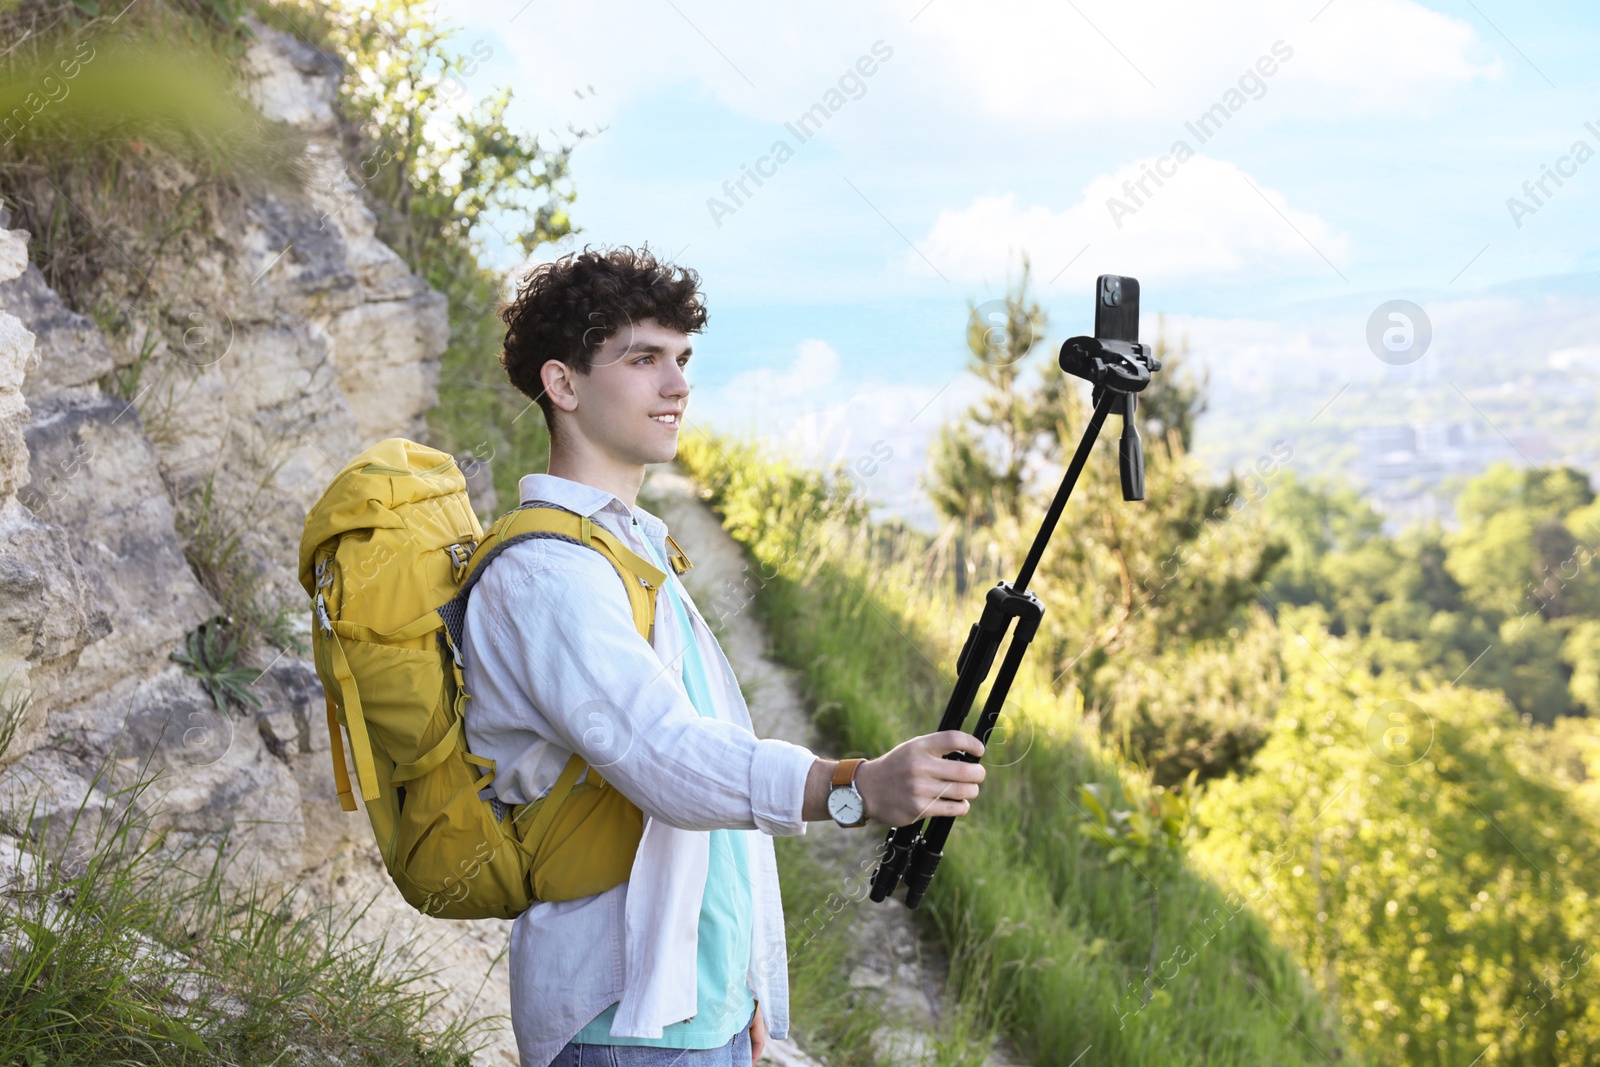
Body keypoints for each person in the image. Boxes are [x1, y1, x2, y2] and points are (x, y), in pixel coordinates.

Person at [462, 245, 986, 1067]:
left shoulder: (627, 546)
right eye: (643, 359)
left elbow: (704, 801)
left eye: (682, 359)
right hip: (626, 1032)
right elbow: (671, 763)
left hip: (691, 1016)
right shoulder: (547, 576)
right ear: (563, 385)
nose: (677, 386)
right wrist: (853, 787)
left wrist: (736, 990)